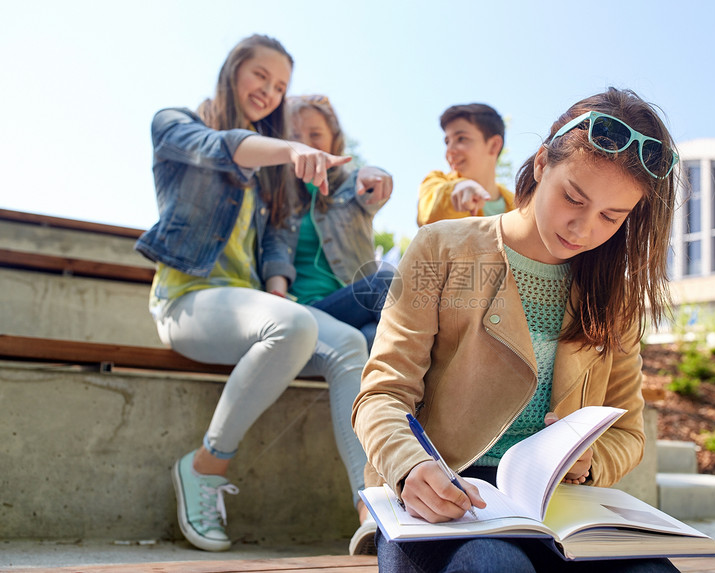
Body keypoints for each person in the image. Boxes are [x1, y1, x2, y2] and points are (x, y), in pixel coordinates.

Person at [353, 87, 682, 572]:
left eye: (612, 217)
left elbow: (629, 433)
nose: (583, 228)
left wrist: (591, 462)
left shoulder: (617, 295)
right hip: (446, 495)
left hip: (560, 507)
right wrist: (410, 466)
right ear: (543, 162)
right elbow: (381, 395)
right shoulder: (443, 248)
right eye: (573, 197)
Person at [134, 34, 366, 553]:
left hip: (251, 305)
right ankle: (204, 466)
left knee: (351, 342)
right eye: (261, 76)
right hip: (188, 300)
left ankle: (371, 509)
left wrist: (279, 287)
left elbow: (278, 238)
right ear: (234, 69)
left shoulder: (272, 173)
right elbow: (221, 148)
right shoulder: (174, 123)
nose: (270, 91)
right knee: (294, 324)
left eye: (280, 86)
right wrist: (291, 149)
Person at [284, 94, 395, 350]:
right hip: (304, 312)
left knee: (370, 337)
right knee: (386, 281)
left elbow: (373, 185)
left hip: (354, 313)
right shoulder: (276, 197)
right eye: (295, 136)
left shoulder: (350, 185)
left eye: (315, 135)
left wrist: (375, 175)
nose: (306, 145)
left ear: (334, 140)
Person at [416, 103, 515, 227]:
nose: (449, 151)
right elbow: (427, 214)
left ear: (494, 145)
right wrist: (457, 189)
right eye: (447, 142)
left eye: (461, 139)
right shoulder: (436, 182)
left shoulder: (519, 206)